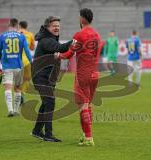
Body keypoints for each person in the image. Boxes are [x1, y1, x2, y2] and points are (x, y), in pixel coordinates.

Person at [55, 8, 101, 146]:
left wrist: (58, 56)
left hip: (83, 74)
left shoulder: (79, 35)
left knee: (83, 106)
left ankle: (88, 138)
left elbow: (69, 54)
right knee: (88, 105)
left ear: (81, 19)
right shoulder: (97, 35)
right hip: (95, 74)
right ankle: (85, 134)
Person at [30, 16, 73, 142]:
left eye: (58, 26)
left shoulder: (49, 38)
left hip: (47, 77)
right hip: (41, 77)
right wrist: (74, 41)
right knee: (50, 102)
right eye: (54, 26)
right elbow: (61, 48)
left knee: (46, 103)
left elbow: (58, 50)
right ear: (47, 27)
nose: (57, 28)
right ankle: (48, 134)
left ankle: (37, 131)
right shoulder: (46, 40)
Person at [0, 18, 32, 117]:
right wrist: (31, 62)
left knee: (8, 88)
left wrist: (1, 61)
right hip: (18, 66)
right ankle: (16, 111)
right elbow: (27, 51)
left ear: (9, 25)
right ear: (17, 26)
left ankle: (10, 110)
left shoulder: (2, 36)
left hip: (7, 66)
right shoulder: (21, 36)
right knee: (17, 89)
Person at [18, 21, 35, 104]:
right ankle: (22, 92)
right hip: (26, 60)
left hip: (16, 61)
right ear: (26, 26)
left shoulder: (15, 34)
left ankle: (18, 94)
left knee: (18, 80)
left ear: (19, 26)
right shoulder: (30, 35)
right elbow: (32, 48)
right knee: (27, 79)